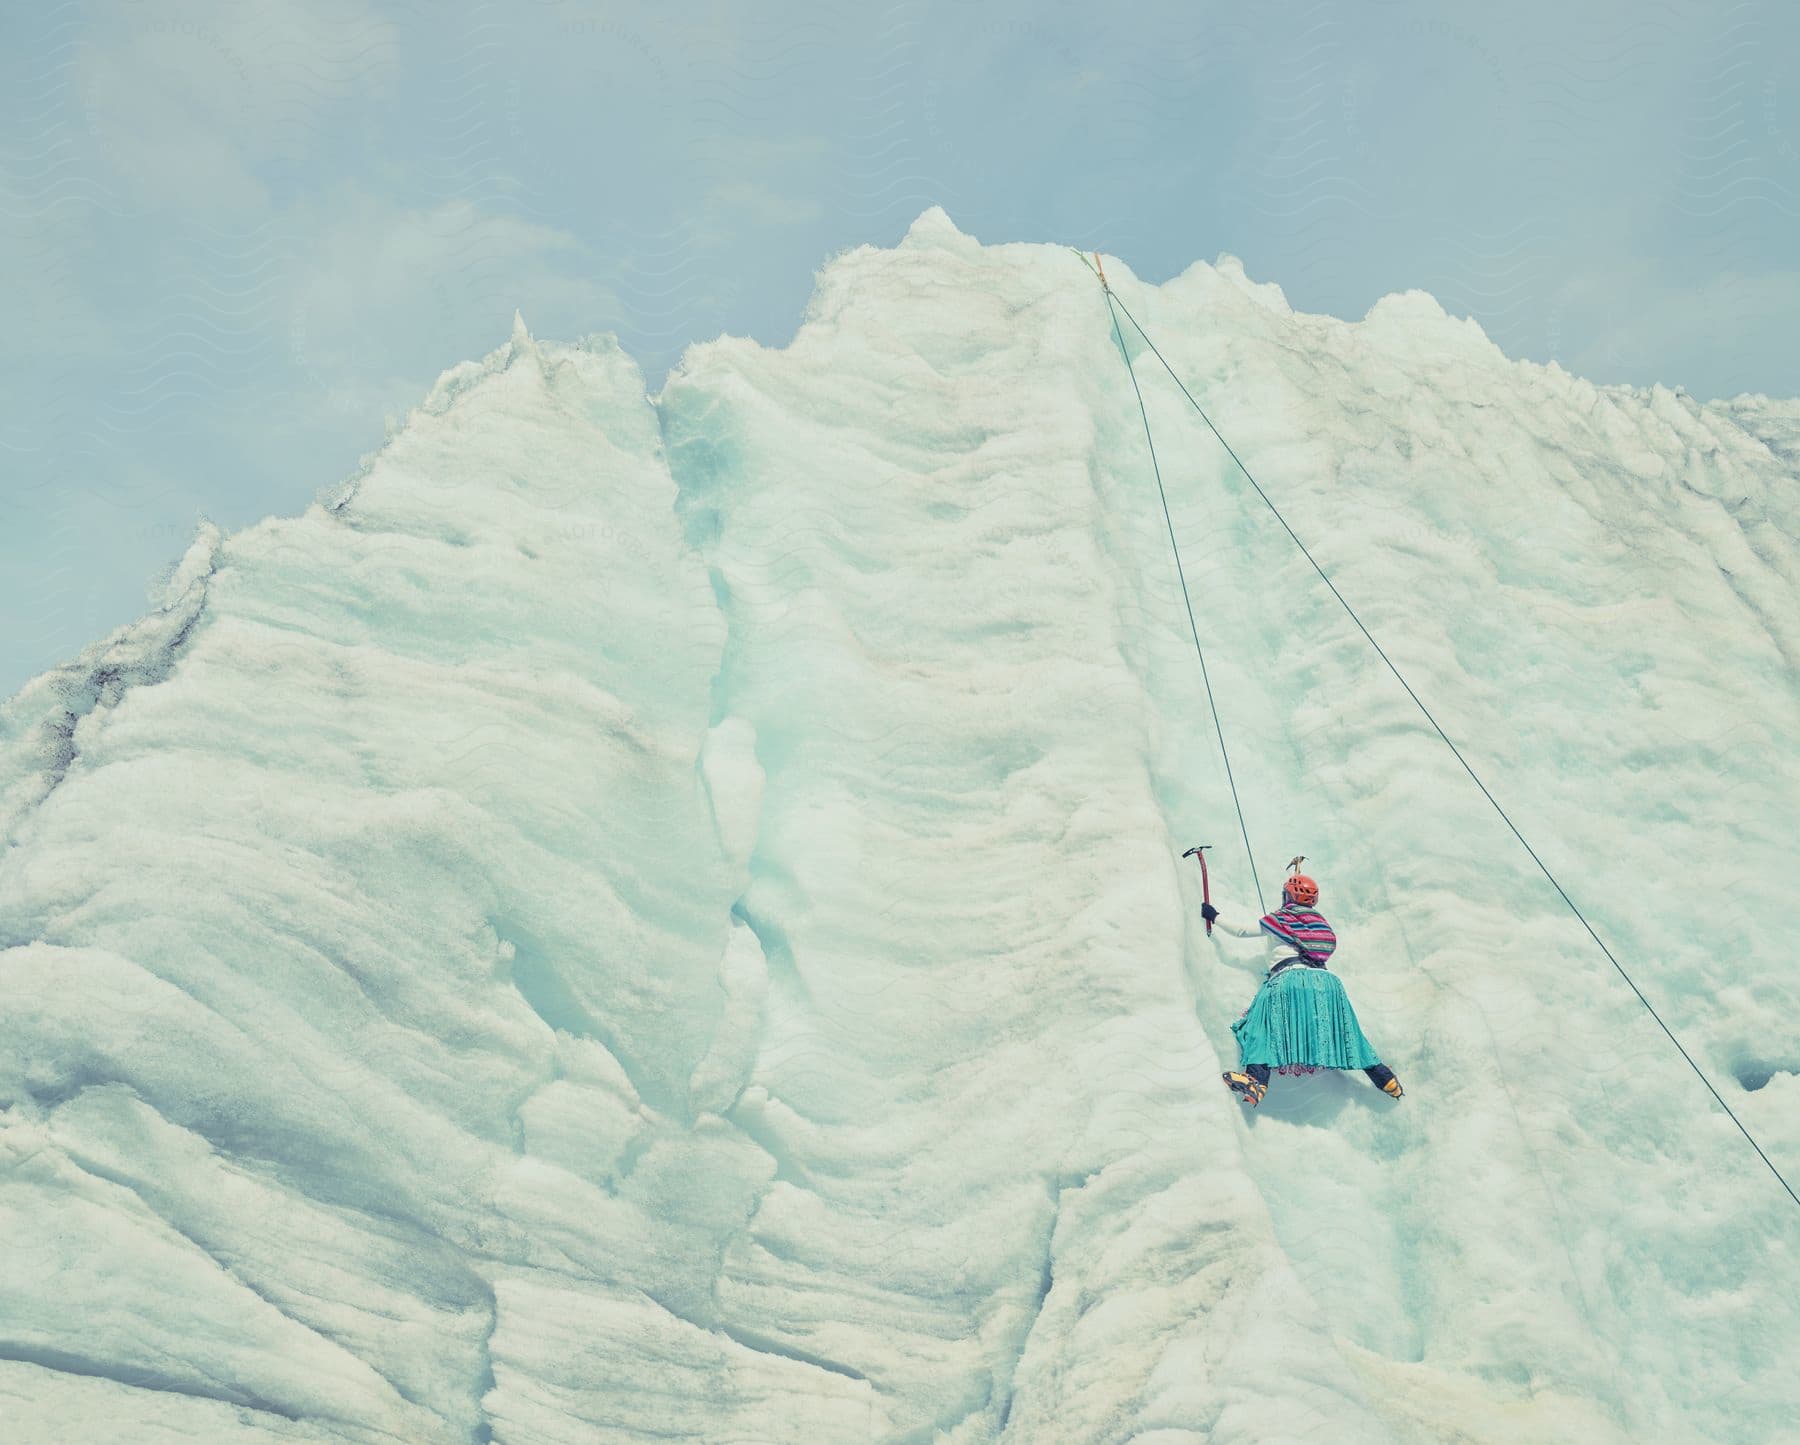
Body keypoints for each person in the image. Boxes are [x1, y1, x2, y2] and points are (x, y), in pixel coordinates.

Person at [1203, 864, 1403, 1107]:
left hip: (1289, 978)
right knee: (1348, 1033)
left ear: (1288, 896)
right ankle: (1386, 1080)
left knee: (1260, 1025)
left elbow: (1243, 931)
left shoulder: (1282, 918)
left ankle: (1256, 1080)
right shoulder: (1321, 924)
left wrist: (1214, 916)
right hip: (1328, 984)